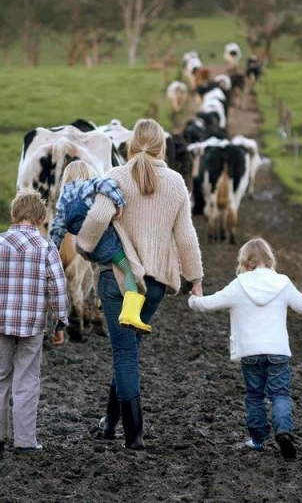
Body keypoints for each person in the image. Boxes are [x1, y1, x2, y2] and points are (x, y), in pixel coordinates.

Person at [76, 118, 204, 450]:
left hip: (119, 281)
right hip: (156, 285)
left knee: (124, 353)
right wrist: (195, 279)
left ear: (130, 145)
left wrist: (84, 246)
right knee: (128, 351)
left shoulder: (116, 177)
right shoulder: (175, 183)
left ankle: (134, 436)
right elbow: (186, 236)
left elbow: (97, 219)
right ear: (163, 147)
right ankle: (110, 424)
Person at [187, 238, 302, 460]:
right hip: (277, 352)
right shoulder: (283, 282)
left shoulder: (239, 284)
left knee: (255, 396)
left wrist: (194, 299)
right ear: (269, 259)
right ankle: (283, 431)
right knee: (280, 394)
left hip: (249, 353)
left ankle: (257, 440)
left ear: (245, 262)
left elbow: (207, 304)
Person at [0, 188, 70, 453]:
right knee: (27, 379)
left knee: (0, 375)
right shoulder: (47, 246)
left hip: (1, 323)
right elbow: (58, 287)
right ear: (40, 217)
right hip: (32, 326)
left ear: (14, 213)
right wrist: (60, 321)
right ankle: (25, 441)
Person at [50, 161, 150, 333]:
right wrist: (119, 204)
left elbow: (57, 228)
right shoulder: (88, 185)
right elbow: (107, 183)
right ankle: (130, 314)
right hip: (104, 240)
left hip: (88, 247)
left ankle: (103, 302)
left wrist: (51, 250)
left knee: (105, 268)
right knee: (129, 270)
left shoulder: (63, 200)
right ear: (87, 173)